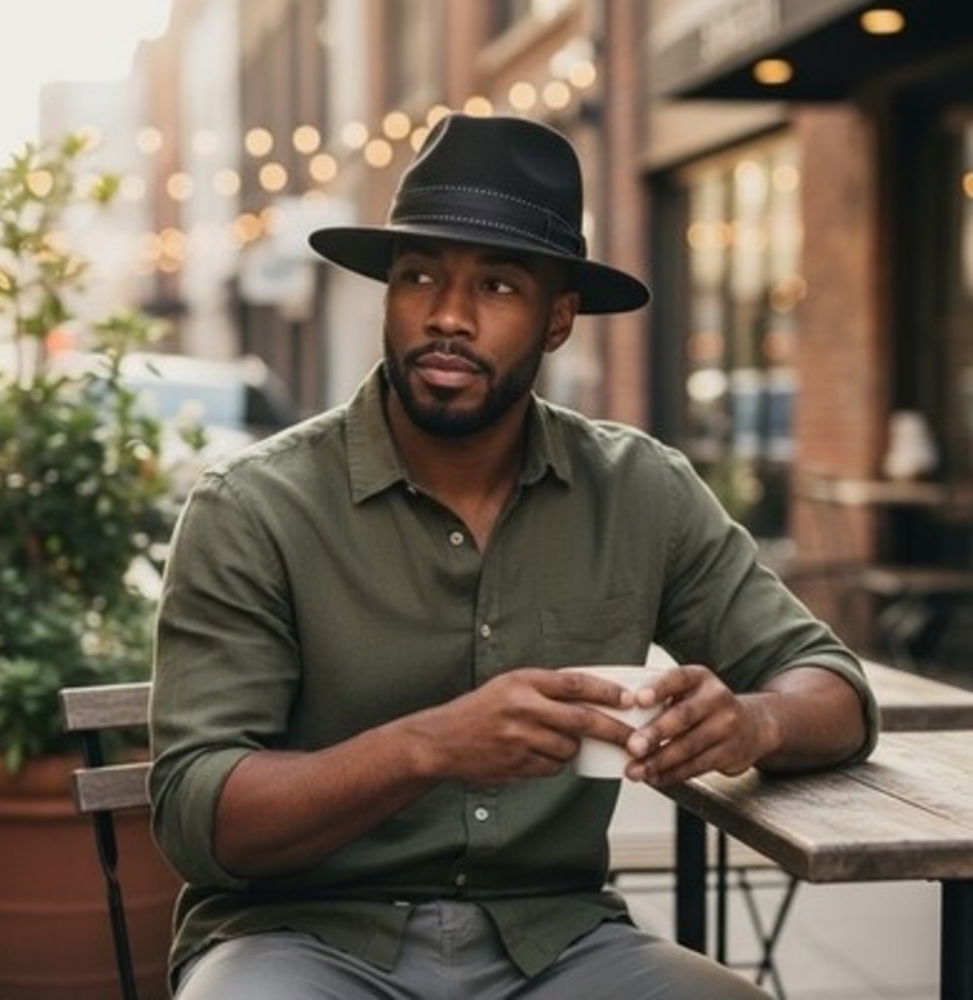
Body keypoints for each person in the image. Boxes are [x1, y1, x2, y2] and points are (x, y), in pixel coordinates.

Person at [149, 113, 879, 1000]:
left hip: (558, 943)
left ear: (558, 318)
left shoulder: (640, 490)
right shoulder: (254, 508)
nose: (447, 316)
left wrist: (752, 723)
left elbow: (832, 687)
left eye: (496, 286)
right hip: (300, 940)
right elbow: (199, 815)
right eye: (419, 276)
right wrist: (430, 745)